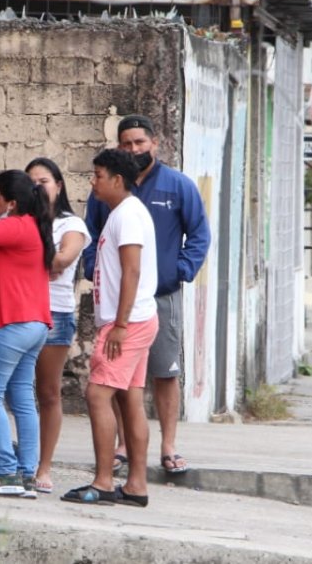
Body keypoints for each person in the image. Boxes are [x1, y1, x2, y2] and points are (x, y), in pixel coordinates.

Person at [83, 115, 210, 476]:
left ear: (155, 143)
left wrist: (181, 271)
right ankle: (127, 459)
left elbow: (198, 234)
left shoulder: (175, 187)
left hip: (153, 301)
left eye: (140, 142)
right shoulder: (111, 197)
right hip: (124, 305)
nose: (134, 148)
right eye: (127, 143)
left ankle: (166, 447)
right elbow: (93, 235)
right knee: (127, 390)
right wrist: (94, 269)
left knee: (162, 372)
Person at [63, 149, 158, 507]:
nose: (93, 181)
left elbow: (131, 271)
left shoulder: (129, 215)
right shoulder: (124, 213)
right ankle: (135, 486)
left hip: (127, 323)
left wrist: (119, 324)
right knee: (128, 398)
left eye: (98, 175)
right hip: (134, 320)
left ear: (118, 180)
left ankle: (104, 482)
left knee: (97, 395)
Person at [0, 169, 54, 498]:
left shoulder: (17, 225)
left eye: (1, 195)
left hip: (13, 324)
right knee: (22, 400)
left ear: (12, 201)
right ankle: (26, 473)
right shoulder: (35, 226)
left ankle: (5, 472)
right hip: (35, 325)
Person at [25, 157, 91, 494]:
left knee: (48, 392)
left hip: (55, 314)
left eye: (44, 181)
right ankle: (15, 462)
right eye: (31, 182)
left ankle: (44, 467)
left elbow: (61, 261)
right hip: (20, 310)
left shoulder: (71, 225)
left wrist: (27, 254)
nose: (37, 187)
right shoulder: (21, 219)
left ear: (59, 186)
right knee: (12, 390)